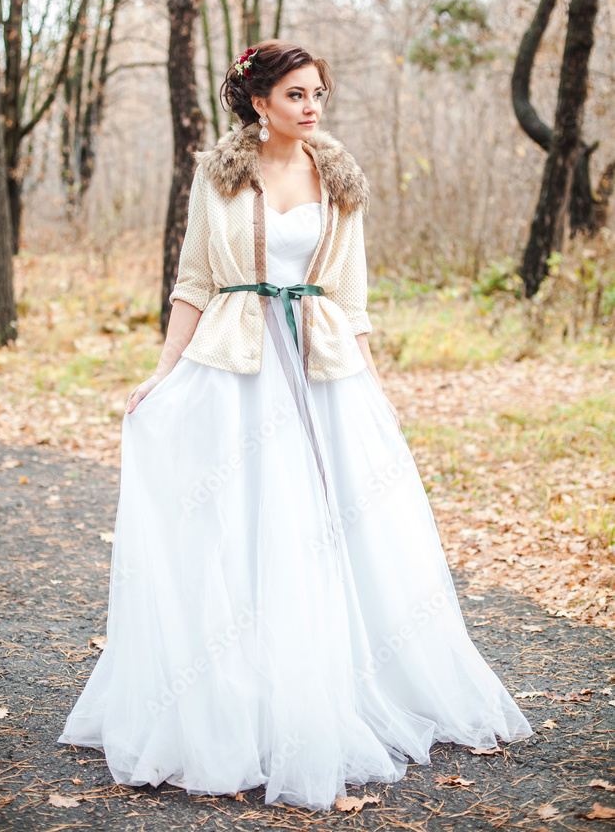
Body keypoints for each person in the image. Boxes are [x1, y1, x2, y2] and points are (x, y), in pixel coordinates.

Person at [58, 39, 533, 812]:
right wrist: (163, 372)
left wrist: (373, 392)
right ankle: (237, 690)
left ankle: (335, 682)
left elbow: (350, 299)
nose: (311, 108)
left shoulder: (338, 179)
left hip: (319, 370)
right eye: (295, 96)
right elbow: (191, 281)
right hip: (236, 366)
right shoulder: (216, 177)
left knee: (332, 522)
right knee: (240, 519)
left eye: (317, 94)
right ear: (257, 102)